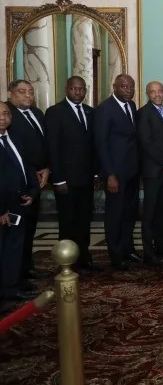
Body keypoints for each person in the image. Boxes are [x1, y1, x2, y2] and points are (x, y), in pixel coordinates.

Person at [45, 76, 101, 271]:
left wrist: (95, 175)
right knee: (67, 222)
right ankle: (66, 262)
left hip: (86, 178)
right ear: (66, 89)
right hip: (66, 180)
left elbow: (93, 146)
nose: (78, 92)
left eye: (81, 89)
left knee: (84, 221)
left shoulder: (90, 112)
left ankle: (84, 259)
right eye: (74, 89)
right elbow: (53, 148)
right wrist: (57, 179)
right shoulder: (55, 112)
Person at [95, 74, 140, 271]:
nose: (128, 90)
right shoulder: (105, 109)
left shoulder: (131, 106)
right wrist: (109, 174)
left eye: (131, 87)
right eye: (124, 87)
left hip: (131, 171)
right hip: (115, 173)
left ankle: (127, 248)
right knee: (115, 214)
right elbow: (101, 144)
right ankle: (115, 254)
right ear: (115, 87)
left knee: (129, 213)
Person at [6, 79, 49, 282]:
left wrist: (46, 168)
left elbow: (43, 144)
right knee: (17, 232)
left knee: (30, 227)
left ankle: (27, 267)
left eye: (30, 92)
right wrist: (34, 171)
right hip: (20, 181)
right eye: (22, 92)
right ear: (10, 95)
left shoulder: (37, 113)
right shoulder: (8, 117)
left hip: (37, 180)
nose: (27, 96)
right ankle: (17, 276)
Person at [0, 101, 39, 308]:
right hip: (3, 209)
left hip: (19, 203)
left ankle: (12, 288)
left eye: (6, 113)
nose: (3, 118)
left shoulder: (14, 138)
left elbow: (27, 167)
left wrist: (32, 191)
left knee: (15, 248)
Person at [136, 81, 163, 267]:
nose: (157, 94)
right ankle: (148, 251)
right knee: (150, 213)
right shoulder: (143, 113)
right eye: (153, 92)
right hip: (153, 171)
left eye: (160, 91)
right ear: (147, 94)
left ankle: (162, 245)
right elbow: (146, 143)